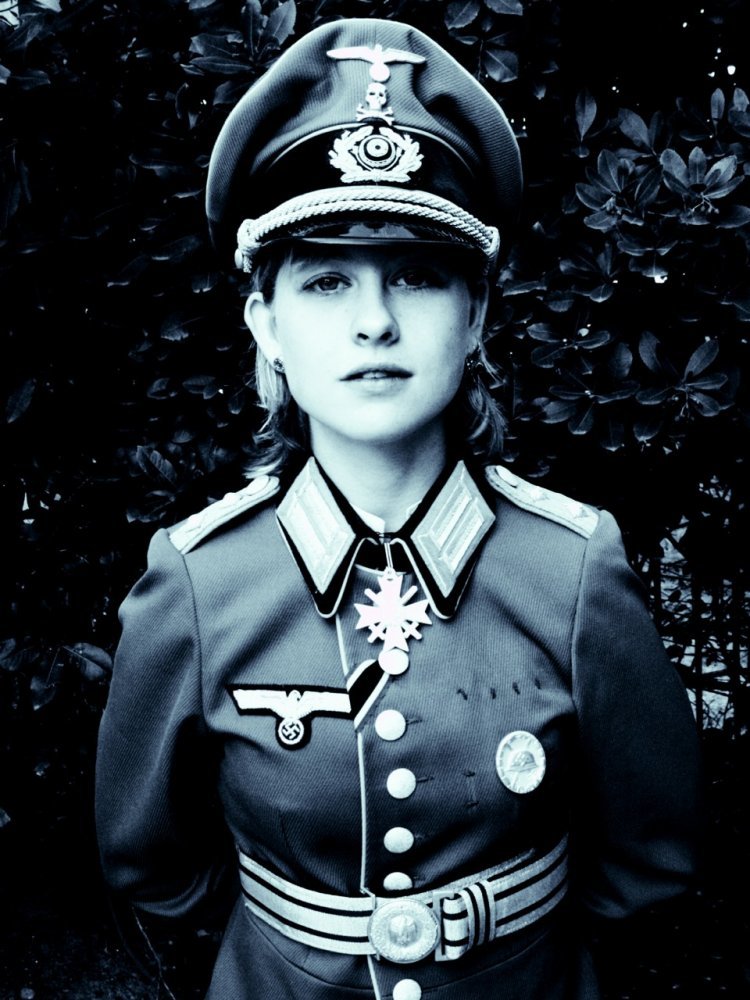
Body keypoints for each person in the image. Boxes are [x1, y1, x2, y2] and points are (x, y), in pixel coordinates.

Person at [95, 17, 702, 1000]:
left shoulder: (572, 569)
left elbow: (649, 860)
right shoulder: (200, 581)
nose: (374, 321)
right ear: (265, 323)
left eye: (418, 276)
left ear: (477, 315)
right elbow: (151, 863)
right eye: (327, 280)